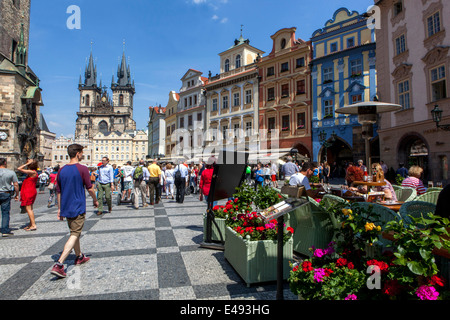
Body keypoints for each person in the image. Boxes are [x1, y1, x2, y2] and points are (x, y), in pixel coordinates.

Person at [50, 144, 98, 279]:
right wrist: (95, 200)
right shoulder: (82, 169)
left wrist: (60, 208)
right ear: (77, 154)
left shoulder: (62, 170)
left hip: (66, 206)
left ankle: (79, 256)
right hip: (77, 205)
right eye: (82, 153)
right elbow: (89, 188)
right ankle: (59, 265)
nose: (82, 155)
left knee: (74, 232)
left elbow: (58, 191)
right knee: (75, 233)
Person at [18, 159, 39, 231]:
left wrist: (26, 164)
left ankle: (33, 225)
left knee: (28, 209)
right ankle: (31, 224)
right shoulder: (33, 172)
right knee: (30, 208)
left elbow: (19, 169)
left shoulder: (32, 172)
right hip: (30, 191)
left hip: (29, 192)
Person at [0, 158, 19, 237]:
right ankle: (5, 230)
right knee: (5, 212)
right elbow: (16, 184)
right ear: (5, 163)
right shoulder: (11, 172)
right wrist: (17, 194)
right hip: (5, 193)